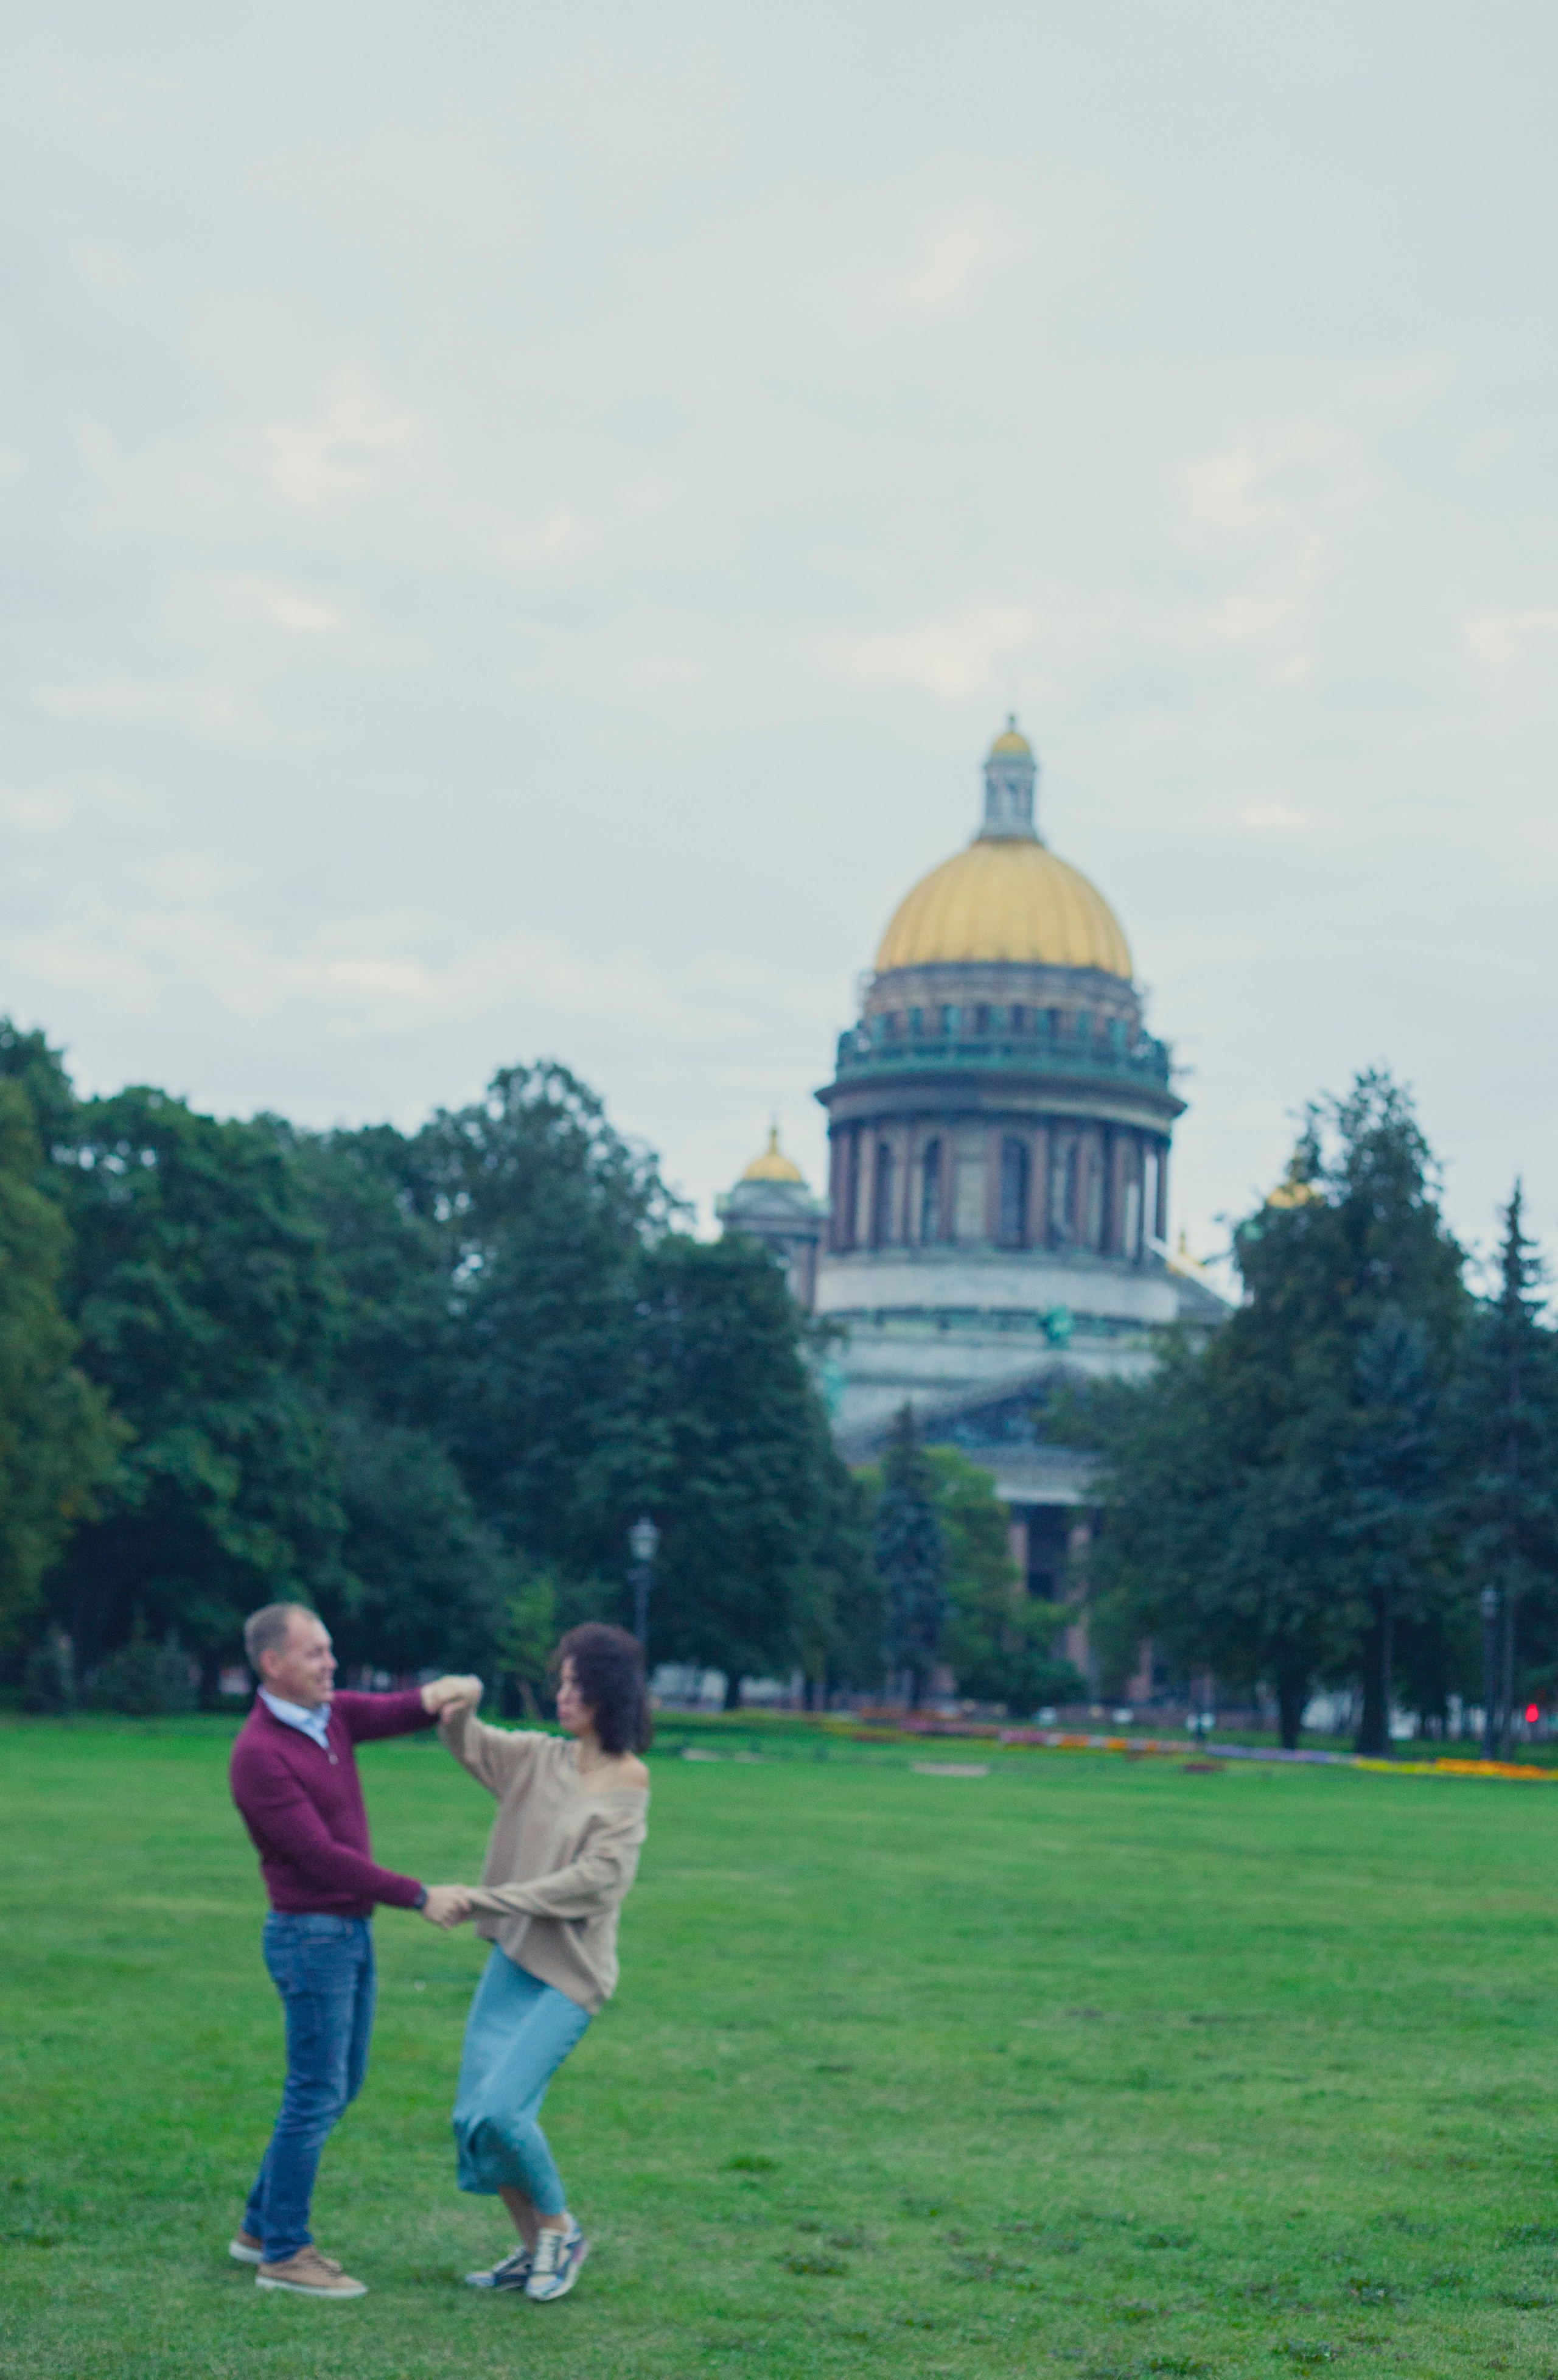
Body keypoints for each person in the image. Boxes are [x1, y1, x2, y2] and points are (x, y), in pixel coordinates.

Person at [228, 1600, 480, 2300]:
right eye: (314, 1652)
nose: (330, 1663)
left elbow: (401, 1708)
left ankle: (259, 2228)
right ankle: (285, 2251)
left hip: (344, 1931)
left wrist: (450, 1689)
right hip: (310, 1937)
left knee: (338, 2085)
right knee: (314, 2092)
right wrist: (418, 1894)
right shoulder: (259, 1754)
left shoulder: (330, 1716)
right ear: (273, 1663)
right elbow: (319, 1857)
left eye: (329, 1649)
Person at [437, 1622, 651, 2304]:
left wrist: (486, 1899)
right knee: (474, 2117)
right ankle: (534, 2251)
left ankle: (562, 2230)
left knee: (503, 2111)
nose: (562, 1695)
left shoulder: (628, 1779)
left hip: (572, 1975)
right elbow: (469, 1742)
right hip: (515, 1960)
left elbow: (597, 1883)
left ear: (608, 1694)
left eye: (576, 1685)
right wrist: (462, 1702)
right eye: (560, 1681)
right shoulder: (536, 1757)